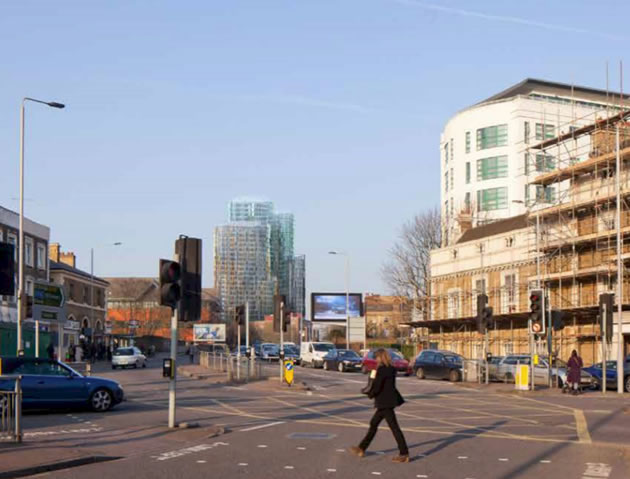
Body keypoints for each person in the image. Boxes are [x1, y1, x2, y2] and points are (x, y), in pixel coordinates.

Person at [350, 348, 409, 463]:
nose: (375, 360)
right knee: (374, 424)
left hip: (384, 402)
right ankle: (361, 448)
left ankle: (404, 453)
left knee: (394, 428)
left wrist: (369, 393)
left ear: (380, 357)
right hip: (388, 401)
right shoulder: (391, 369)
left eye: (376, 357)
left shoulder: (381, 370)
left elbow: (377, 386)